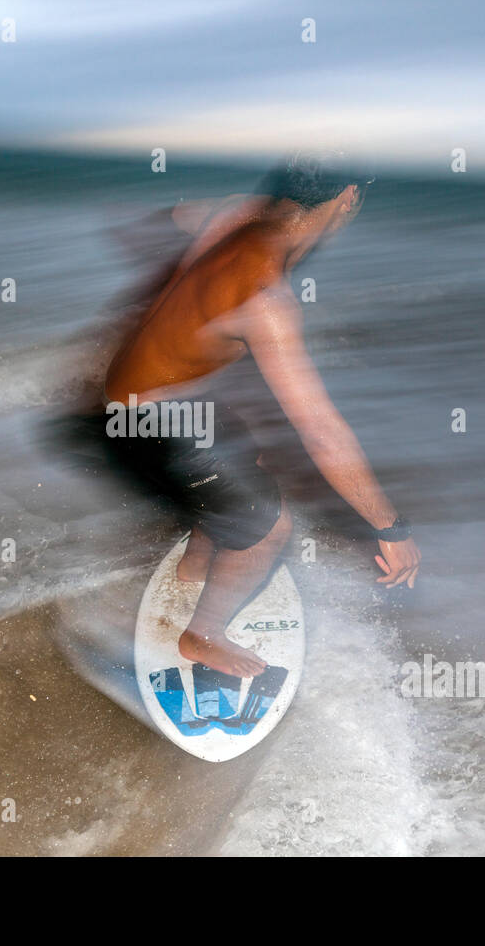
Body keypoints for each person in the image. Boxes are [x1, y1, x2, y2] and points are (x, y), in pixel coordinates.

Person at [102, 152, 420, 678]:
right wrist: (390, 526)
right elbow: (321, 431)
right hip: (148, 421)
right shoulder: (268, 297)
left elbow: (170, 221)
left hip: (145, 394)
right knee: (270, 528)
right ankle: (201, 637)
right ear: (347, 197)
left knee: (245, 459)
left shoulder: (237, 213)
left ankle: (195, 566)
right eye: (357, 196)